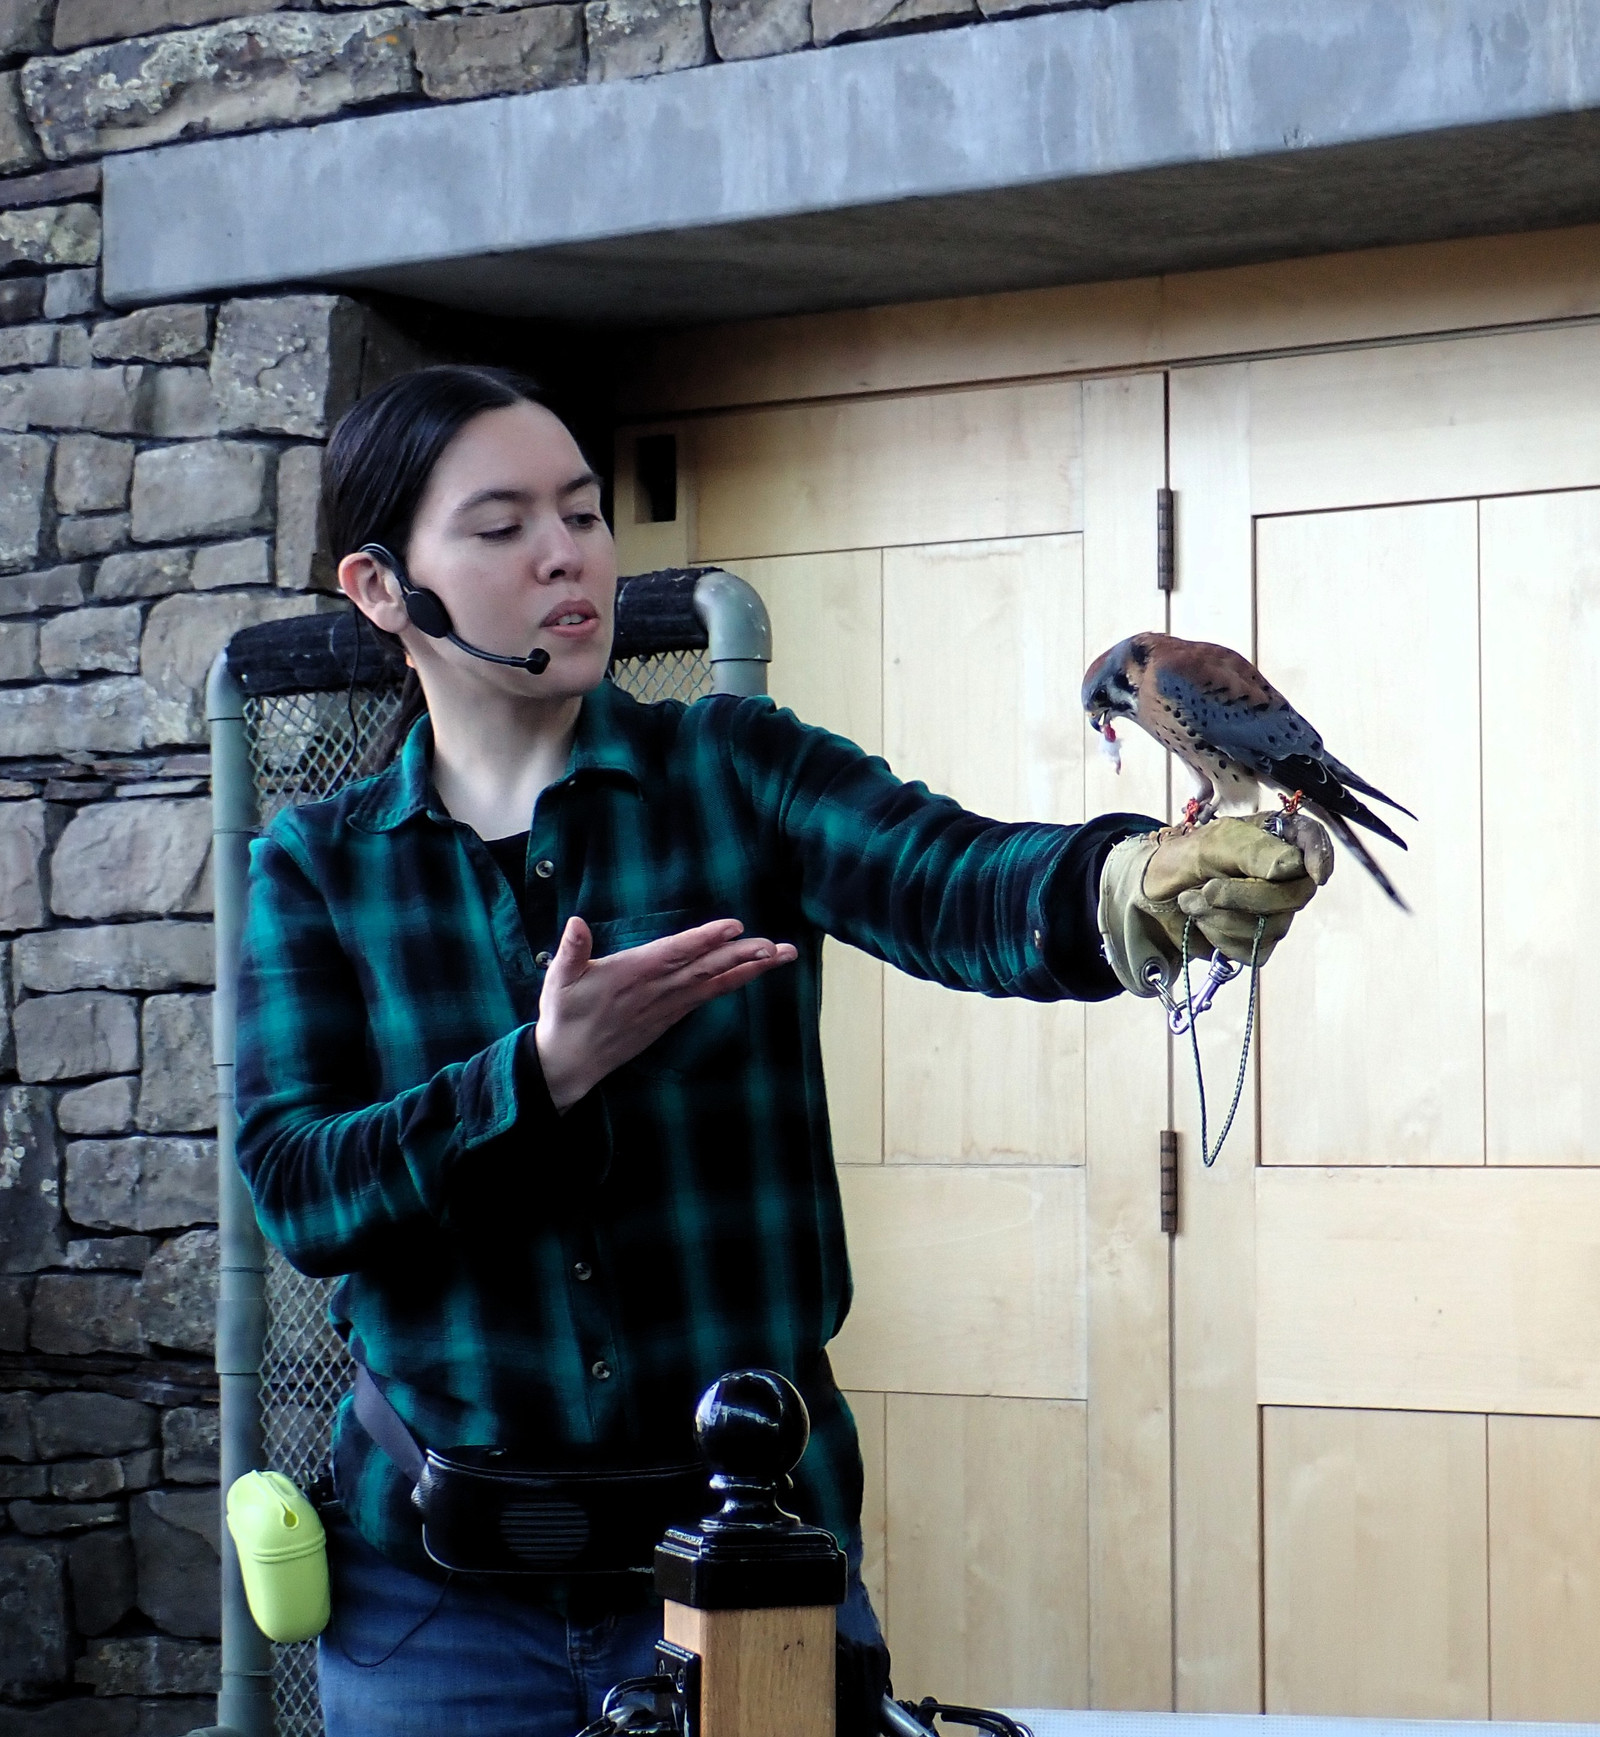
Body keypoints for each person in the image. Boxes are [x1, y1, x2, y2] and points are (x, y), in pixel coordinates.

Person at [233, 365, 1319, 1737]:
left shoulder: (736, 771)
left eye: (583, 512)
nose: (567, 554)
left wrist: (1123, 889)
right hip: (438, 1613)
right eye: (503, 526)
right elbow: (301, 1188)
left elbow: (949, 878)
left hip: (755, 1580)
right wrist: (535, 1076)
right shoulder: (319, 865)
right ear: (382, 587)